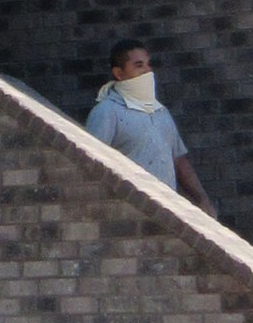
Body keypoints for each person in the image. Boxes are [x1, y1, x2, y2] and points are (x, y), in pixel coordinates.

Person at [85, 39, 216, 214]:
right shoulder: (106, 112)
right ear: (119, 73)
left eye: (148, 64)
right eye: (138, 66)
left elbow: (178, 160)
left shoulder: (160, 112)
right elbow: (91, 166)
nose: (147, 71)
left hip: (168, 213)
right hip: (130, 214)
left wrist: (202, 199)